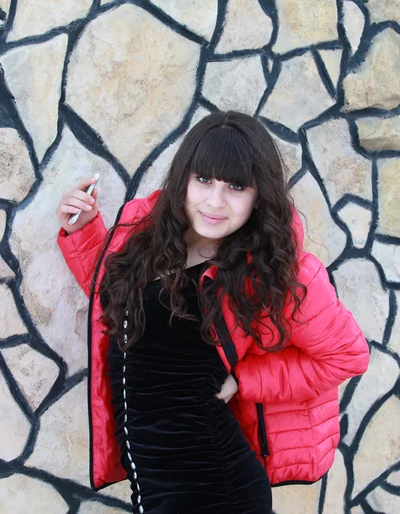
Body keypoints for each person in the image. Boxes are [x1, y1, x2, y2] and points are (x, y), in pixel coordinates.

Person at [56, 111, 370, 514]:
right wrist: (83, 230)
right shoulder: (146, 237)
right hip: (153, 481)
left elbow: (347, 356)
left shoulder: (276, 272)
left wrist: (245, 380)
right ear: (184, 178)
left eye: (236, 186)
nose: (215, 201)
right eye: (204, 180)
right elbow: (121, 309)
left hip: (213, 486)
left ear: (259, 196)